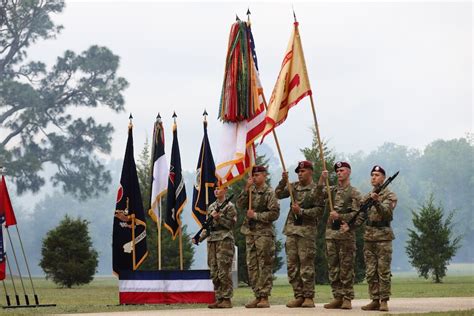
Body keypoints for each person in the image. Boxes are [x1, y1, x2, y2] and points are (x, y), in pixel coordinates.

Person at [275, 160, 323, 308]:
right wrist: (283, 181)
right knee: (292, 266)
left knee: (306, 265)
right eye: (298, 172)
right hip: (291, 230)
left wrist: (301, 212)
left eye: (302, 171)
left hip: (306, 232)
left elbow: (319, 211)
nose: (299, 174)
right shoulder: (293, 187)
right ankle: (299, 295)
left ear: (310, 172)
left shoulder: (317, 189)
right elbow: (277, 194)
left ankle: (309, 296)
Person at [316, 161, 362, 310]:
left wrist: (340, 216)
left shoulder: (354, 192)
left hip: (345, 235)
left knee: (346, 267)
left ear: (348, 172)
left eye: (342, 170)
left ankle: (347, 297)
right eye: (337, 171)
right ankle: (337, 296)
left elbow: (357, 214)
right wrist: (322, 179)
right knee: (333, 267)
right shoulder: (332, 191)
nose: (339, 173)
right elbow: (317, 194)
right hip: (331, 234)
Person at [236, 165, 280, 308]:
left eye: (257, 175)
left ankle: (264, 296)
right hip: (250, 233)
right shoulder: (250, 191)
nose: (254, 178)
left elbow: (274, 214)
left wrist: (255, 215)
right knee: (252, 266)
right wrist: (245, 188)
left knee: (264, 264)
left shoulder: (269, 193)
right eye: (253, 175)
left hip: (264, 234)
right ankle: (257, 294)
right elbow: (240, 204)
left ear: (264, 176)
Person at [360, 165, 398, 312]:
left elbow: (387, 214)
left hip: (383, 237)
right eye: (372, 175)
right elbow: (360, 214)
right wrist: (348, 225)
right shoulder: (368, 195)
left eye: (377, 175)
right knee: (370, 271)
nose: (373, 177)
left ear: (383, 177)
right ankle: (374, 299)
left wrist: (376, 202)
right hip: (369, 237)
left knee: (383, 271)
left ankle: (384, 301)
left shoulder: (390, 195)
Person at [193, 184, 237, 309]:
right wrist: (198, 238)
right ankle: (219, 298)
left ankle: (227, 299)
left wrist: (219, 218)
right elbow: (208, 227)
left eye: (219, 188)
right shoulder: (212, 207)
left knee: (224, 271)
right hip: (212, 241)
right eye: (215, 189)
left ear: (226, 189)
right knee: (214, 271)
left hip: (224, 241)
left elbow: (231, 225)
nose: (217, 191)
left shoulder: (230, 207)